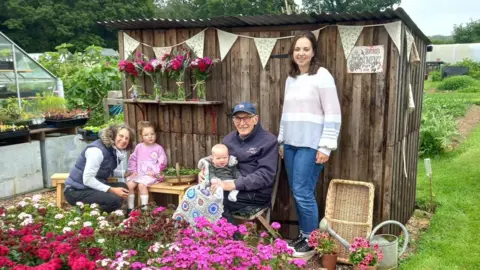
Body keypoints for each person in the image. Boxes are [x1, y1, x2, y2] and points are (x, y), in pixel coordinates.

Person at [278, 31, 342, 256]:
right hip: (292, 144)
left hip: (311, 144)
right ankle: (305, 235)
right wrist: (282, 141)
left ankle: (312, 240)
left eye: (306, 49)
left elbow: (333, 113)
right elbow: (286, 112)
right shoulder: (291, 78)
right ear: (292, 53)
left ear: (313, 52)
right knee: (298, 191)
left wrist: (326, 147)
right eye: (297, 49)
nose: (301, 53)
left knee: (303, 192)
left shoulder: (322, 76)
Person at [201, 102, 279, 224]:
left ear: (255, 119)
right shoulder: (228, 139)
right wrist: (205, 172)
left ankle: (230, 239)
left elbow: (265, 175)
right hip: (227, 187)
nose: (242, 123)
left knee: (216, 200)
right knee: (198, 194)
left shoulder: (268, 141)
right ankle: (202, 238)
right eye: (238, 118)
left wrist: (232, 185)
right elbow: (217, 160)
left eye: (246, 118)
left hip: (255, 194)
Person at [64, 124, 135, 213]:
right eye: (121, 136)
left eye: (126, 138)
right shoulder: (97, 151)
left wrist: (124, 174)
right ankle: (87, 215)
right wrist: (112, 189)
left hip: (89, 188)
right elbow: (88, 179)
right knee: (114, 201)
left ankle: (96, 210)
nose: (123, 140)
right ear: (113, 135)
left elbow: (103, 170)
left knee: (123, 187)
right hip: (76, 190)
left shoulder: (111, 150)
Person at [126, 121, 167, 213]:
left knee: (142, 185)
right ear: (141, 137)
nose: (150, 136)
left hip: (152, 175)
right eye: (146, 135)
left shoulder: (158, 148)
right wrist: (133, 171)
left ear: (155, 134)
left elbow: (162, 162)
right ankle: (130, 209)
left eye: (152, 134)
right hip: (139, 174)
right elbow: (133, 159)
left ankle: (144, 209)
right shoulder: (139, 147)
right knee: (129, 185)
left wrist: (156, 172)